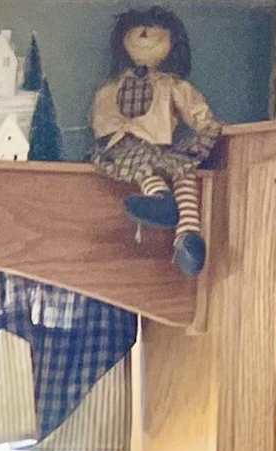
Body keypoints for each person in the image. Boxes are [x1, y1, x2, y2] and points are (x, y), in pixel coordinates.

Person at [91, 7, 219, 275]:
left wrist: (206, 126)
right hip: (126, 143)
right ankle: (160, 197)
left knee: (183, 169)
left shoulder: (171, 85)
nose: (146, 39)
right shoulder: (112, 86)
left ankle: (188, 235)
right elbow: (103, 114)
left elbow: (195, 110)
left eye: (156, 35)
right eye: (139, 34)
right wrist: (114, 135)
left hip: (161, 145)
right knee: (142, 163)